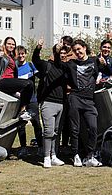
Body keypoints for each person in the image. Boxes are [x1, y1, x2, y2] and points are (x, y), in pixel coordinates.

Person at [58, 39, 103, 167]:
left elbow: (106, 69)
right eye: (75, 50)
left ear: (84, 48)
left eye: (79, 49)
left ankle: (90, 156)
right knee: (75, 129)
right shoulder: (71, 63)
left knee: (93, 127)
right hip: (75, 97)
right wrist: (58, 50)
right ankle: (75, 155)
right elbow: (58, 63)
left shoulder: (94, 61)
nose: (78, 52)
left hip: (89, 100)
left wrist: (103, 64)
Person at [32, 39, 66, 168]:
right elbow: (35, 59)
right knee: (48, 131)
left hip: (61, 103)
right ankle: (46, 157)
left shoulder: (63, 67)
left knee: (56, 132)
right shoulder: (47, 65)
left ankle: (53, 155)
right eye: (59, 53)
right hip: (48, 102)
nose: (61, 55)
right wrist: (38, 47)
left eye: (64, 53)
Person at [0, 37, 34, 120]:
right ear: (5, 45)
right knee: (29, 83)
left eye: (13, 44)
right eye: (9, 43)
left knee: (29, 86)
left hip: (10, 82)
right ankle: (22, 110)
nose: (11, 46)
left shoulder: (13, 57)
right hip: (0, 80)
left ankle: (22, 111)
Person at [16, 45, 43, 158]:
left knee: (36, 123)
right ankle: (23, 148)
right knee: (21, 125)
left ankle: (41, 147)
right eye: (19, 54)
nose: (21, 56)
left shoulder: (31, 66)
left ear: (25, 54)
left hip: (32, 100)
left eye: (23, 53)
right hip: (20, 101)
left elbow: (41, 76)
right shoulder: (14, 68)